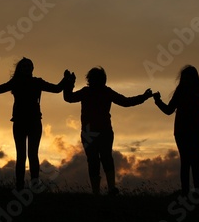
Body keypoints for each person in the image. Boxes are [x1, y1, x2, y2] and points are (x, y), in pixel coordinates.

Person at [63, 66, 152, 195]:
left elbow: (68, 97)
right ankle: (109, 188)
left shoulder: (89, 92)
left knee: (95, 160)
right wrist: (144, 97)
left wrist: (69, 83)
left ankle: (99, 191)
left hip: (93, 132)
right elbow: (126, 102)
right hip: (102, 131)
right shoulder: (104, 92)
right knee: (104, 159)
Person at [0, 57, 69, 190]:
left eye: (29, 66)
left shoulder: (36, 82)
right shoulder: (16, 82)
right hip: (20, 122)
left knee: (32, 155)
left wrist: (66, 79)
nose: (27, 68)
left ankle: (33, 185)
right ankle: (20, 186)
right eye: (24, 66)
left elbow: (57, 89)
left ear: (32, 68)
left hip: (33, 121)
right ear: (20, 69)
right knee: (22, 155)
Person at [152, 65, 199, 196]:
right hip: (188, 130)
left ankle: (189, 192)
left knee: (189, 161)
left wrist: (158, 101)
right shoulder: (193, 90)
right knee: (191, 160)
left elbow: (168, 110)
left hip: (187, 130)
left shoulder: (185, 90)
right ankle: (193, 191)